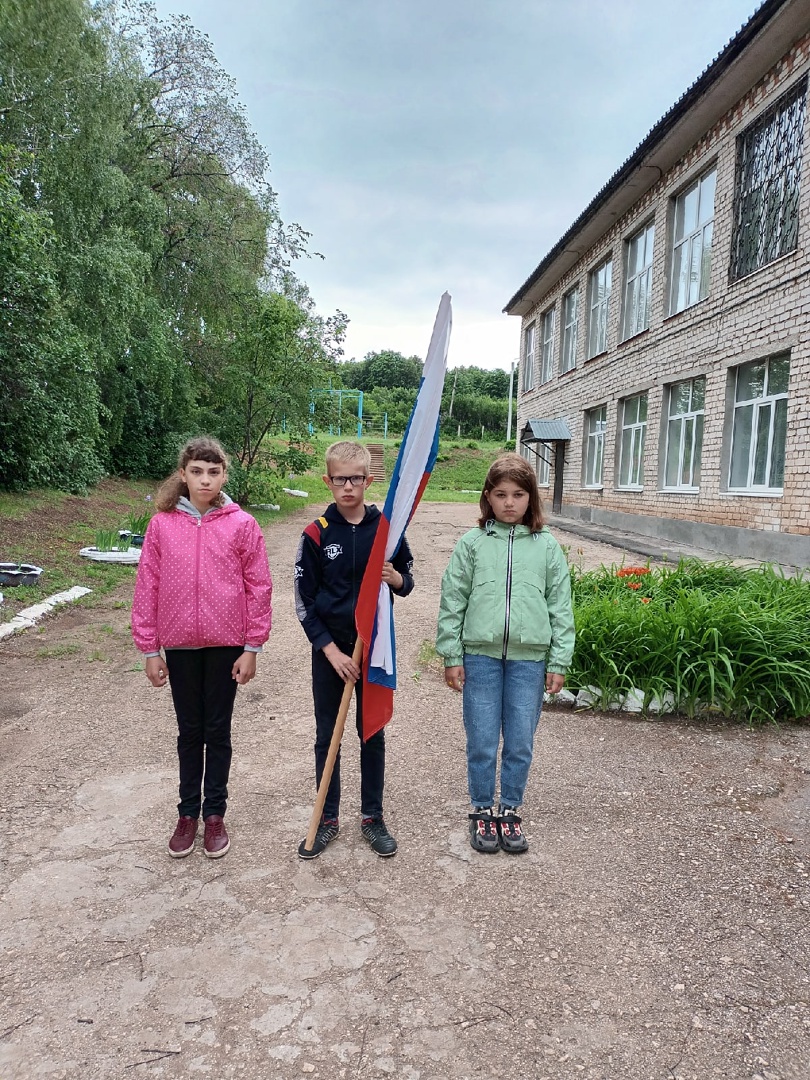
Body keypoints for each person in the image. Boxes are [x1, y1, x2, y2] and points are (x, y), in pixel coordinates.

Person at [132, 436, 272, 860]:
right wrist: (149, 649)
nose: (205, 479)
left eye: (213, 472)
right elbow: (147, 585)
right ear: (183, 475)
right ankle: (187, 814)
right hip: (179, 644)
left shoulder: (241, 524)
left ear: (224, 475)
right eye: (196, 471)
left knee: (217, 730)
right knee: (189, 732)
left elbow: (258, 586)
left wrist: (252, 646)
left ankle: (214, 814)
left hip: (227, 643)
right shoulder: (162, 524)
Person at [436, 452, 574, 855]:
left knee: (519, 741)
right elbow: (453, 600)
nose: (509, 503)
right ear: (488, 498)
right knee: (481, 738)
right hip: (480, 656)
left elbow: (560, 606)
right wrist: (452, 654)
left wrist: (559, 660)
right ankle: (481, 809)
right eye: (501, 494)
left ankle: (510, 810)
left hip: (529, 660)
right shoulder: (472, 543)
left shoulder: (547, 547)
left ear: (531, 498)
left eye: (518, 494)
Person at [294, 440, 414, 860]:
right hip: (333, 654)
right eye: (340, 479)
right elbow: (303, 603)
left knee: (372, 732)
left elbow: (407, 578)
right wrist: (331, 651)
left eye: (356, 479)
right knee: (328, 736)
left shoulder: (386, 530)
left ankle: (372, 817)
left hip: (373, 648)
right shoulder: (315, 534)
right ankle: (327, 819)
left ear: (369, 480)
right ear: (328, 481)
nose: (348, 487)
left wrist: (396, 578)